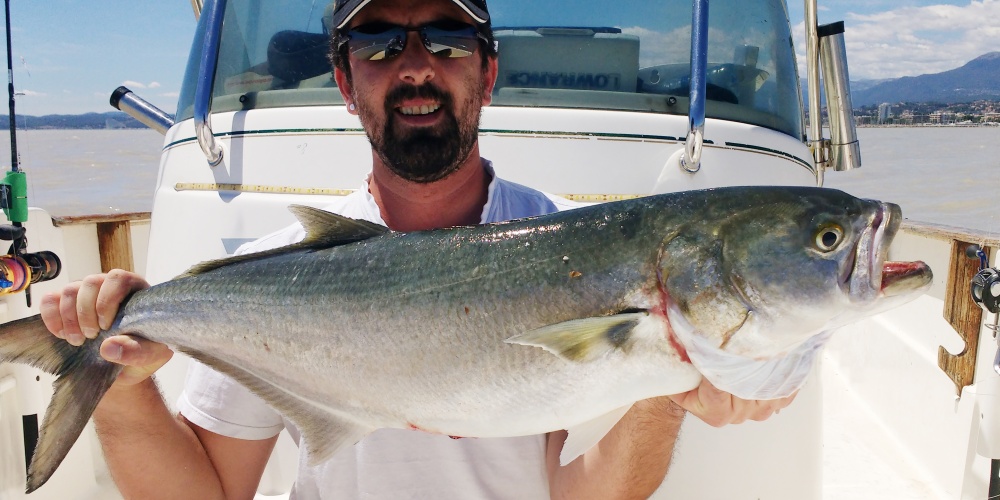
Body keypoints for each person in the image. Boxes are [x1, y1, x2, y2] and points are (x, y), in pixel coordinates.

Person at [40, 0, 794, 498]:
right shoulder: (278, 275)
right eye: (375, 43)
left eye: (446, 37)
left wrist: (667, 394)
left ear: (486, 71)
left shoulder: (579, 249)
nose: (414, 65)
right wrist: (122, 383)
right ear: (344, 81)